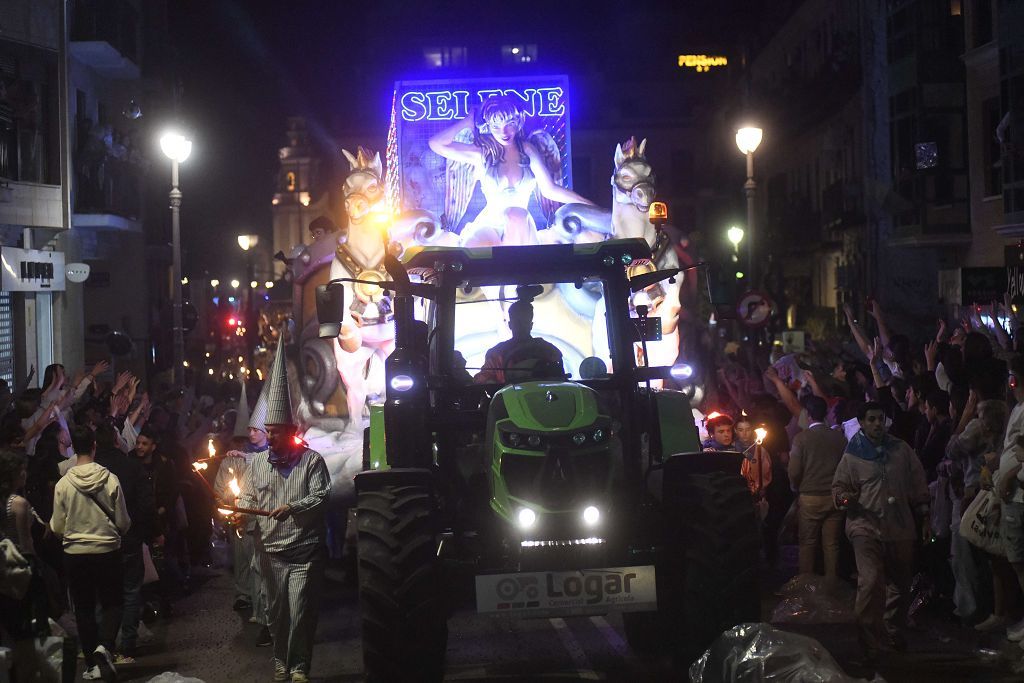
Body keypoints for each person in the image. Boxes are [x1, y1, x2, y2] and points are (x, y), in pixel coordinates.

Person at [238, 337, 330, 683]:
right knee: (277, 615)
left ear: (291, 433)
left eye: (277, 433)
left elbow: (321, 496)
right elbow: (248, 500)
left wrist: (292, 507)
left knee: (301, 611)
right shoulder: (257, 464)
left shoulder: (311, 462)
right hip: (270, 555)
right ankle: (281, 662)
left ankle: (299, 667)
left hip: (304, 552)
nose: (271, 439)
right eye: (268, 433)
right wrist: (240, 513)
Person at [428, 95, 594, 247]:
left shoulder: (528, 150)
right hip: (489, 224)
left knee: (515, 214)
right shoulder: (483, 153)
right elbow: (436, 144)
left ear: (518, 122)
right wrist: (467, 122)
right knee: (475, 248)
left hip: (519, 224)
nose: (504, 132)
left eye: (510, 125)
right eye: (496, 126)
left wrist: (588, 205)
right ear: (488, 126)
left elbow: (549, 190)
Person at [832, 401, 929, 659]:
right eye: (871, 419)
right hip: (864, 525)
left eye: (880, 419)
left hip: (899, 526)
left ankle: (890, 629)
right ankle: (868, 637)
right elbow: (839, 488)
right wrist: (844, 499)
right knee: (871, 579)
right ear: (861, 423)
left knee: (900, 583)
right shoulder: (852, 455)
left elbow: (918, 480)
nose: (877, 424)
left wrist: (924, 511)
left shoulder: (901, 449)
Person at [50, 425, 131, 681]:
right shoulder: (110, 479)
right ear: (94, 446)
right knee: (113, 602)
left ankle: (91, 666)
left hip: (75, 552)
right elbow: (123, 521)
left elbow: (56, 526)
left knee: (83, 607)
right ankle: (104, 646)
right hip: (107, 548)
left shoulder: (63, 484)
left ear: (74, 447)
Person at [215, 381, 271, 646]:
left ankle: (268, 615)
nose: (250, 433)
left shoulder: (274, 457)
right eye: (247, 429)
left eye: (254, 429)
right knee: (245, 563)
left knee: (263, 570)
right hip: (242, 520)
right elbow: (222, 488)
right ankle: (249, 600)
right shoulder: (234, 458)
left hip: (266, 522)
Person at [94, 423, 155, 660]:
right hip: (128, 536)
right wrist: (143, 532)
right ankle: (128, 644)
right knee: (130, 591)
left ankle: (103, 644)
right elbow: (145, 503)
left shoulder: (87, 470)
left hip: (98, 538)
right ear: (117, 442)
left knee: (104, 592)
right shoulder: (131, 467)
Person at [788, 395, 848, 580]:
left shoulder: (801, 439)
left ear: (807, 413)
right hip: (834, 497)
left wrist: (795, 487)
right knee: (831, 545)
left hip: (810, 497)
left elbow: (794, 471)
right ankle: (832, 586)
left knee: (807, 543)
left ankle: (806, 588)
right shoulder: (839, 438)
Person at [473, 300, 563, 384]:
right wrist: (492, 383)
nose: (521, 327)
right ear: (510, 325)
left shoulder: (543, 348)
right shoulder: (497, 353)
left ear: (531, 325)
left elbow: (558, 361)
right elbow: (482, 378)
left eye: (525, 322)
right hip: (509, 399)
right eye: (517, 322)